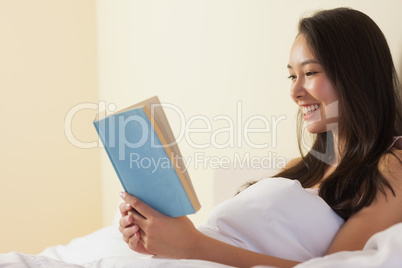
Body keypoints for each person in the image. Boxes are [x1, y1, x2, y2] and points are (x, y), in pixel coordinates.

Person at [118, 7, 402, 268]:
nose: (295, 91)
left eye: (310, 72)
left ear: (356, 75)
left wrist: (191, 245)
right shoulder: (301, 168)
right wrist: (160, 237)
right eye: (292, 76)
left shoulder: (391, 167)